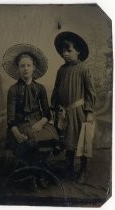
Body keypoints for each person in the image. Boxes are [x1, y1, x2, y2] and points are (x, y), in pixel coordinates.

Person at [51, 32, 96, 183]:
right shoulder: (61, 70)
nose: (65, 54)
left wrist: (89, 111)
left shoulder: (83, 68)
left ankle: (84, 169)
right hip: (64, 112)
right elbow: (56, 90)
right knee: (67, 141)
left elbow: (90, 92)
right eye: (63, 51)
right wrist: (54, 107)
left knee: (81, 141)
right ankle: (69, 168)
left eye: (69, 50)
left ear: (78, 52)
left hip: (79, 112)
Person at [3, 44, 59, 164]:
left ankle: (40, 171)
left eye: (29, 65)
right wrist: (16, 133)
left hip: (38, 123)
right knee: (30, 139)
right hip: (21, 124)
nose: (25, 69)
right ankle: (31, 170)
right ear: (18, 68)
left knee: (50, 137)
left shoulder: (40, 88)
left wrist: (40, 123)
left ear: (34, 67)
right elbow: (10, 118)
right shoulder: (13, 89)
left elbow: (47, 114)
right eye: (22, 66)